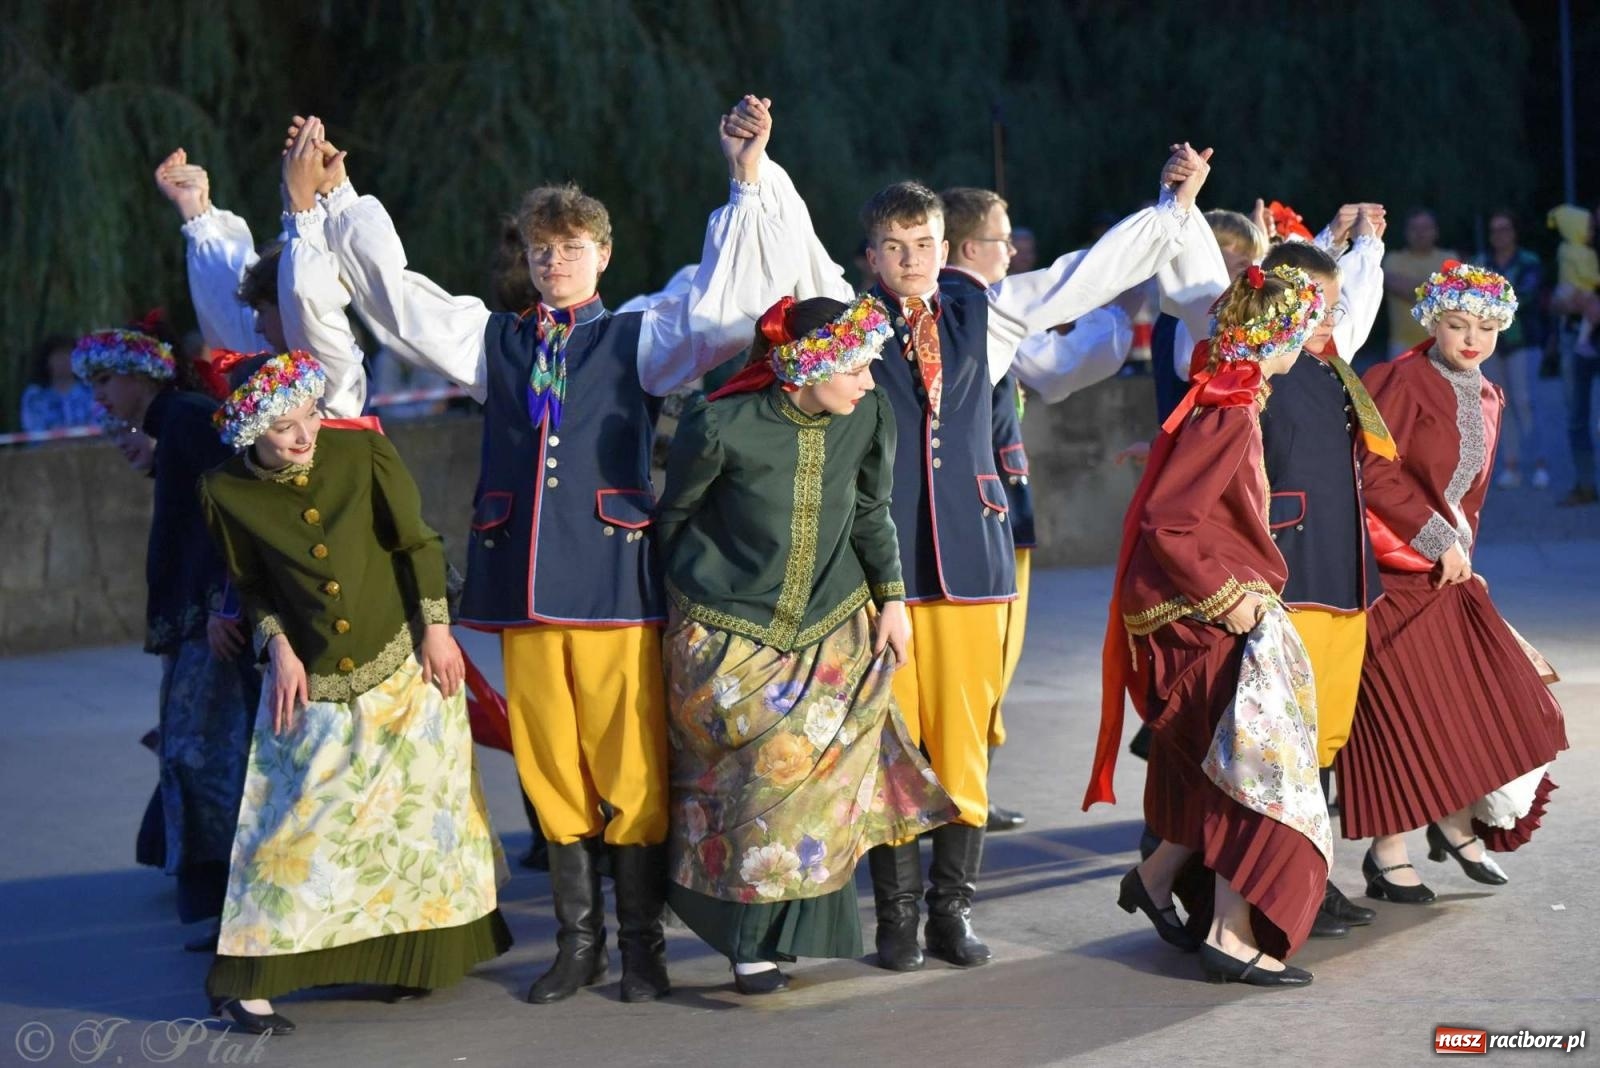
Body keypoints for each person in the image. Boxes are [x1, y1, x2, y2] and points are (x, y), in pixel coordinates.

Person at [307, 96, 805, 1005]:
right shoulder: (493, 338)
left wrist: (745, 178)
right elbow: (399, 304)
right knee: (547, 760)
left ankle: (642, 947)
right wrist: (341, 205)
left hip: (614, 578)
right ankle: (580, 946)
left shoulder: (640, 335)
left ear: (603, 255)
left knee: (630, 762)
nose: (556, 262)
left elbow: (727, 309)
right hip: (523, 577)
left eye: (573, 248)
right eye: (542, 250)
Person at [726, 96, 1221, 971]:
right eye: (896, 247)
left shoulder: (980, 310)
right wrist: (755, 171)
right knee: (888, 742)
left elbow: (1080, 276)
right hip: (881, 572)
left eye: (926, 244)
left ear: (943, 248)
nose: (914, 261)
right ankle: (895, 919)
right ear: (869, 255)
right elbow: (790, 238)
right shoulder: (847, 318)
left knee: (961, 743)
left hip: (973, 562)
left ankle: (950, 914)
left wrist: (1170, 208)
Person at [198, 351, 509, 1035]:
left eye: (309, 414)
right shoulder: (223, 490)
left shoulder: (361, 451)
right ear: (252, 428)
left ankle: (410, 960)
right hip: (311, 674)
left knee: (416, 821)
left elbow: (417, 543)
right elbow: (251, 583)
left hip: (404, 663)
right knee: (295, 825)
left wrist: (437, 631)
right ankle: (247, 982)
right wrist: (276, 647)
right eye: (284, 426)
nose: (305, 434)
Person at [656, 295, 957, 994]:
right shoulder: (720, 423)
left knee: (821, 781)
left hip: (835, 623)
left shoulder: (870, 415)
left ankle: (772, 941)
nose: (868, 381)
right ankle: (738, 930)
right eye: (855, 367)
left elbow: (872, 512)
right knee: (752, 776)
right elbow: (676, 518)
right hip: (728, 629)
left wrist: (894, 601)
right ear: (805, 367)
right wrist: (685, 615)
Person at [1089, 264, 1331, 988]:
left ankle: (1158, 877)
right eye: (1305, 325)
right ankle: (1228, 935)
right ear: (1280, 337)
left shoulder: (1232, 397)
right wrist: (1229, 596)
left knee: (1222, 764)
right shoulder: (1228, 411)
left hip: (1199, 609)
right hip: (1202, 615)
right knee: (1251, 772)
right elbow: (1170, 523)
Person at [1338, 261, 1568, 901]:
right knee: (1396, 712)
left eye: (1488, 327)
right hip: (1389, 569)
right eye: (1458, 324)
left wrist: (1460, 550)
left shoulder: (1489, 394)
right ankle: (1388, 854)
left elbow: (1465, 495)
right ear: (1432, 321)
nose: (1472, 338)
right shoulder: (1402, 381)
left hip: (1447, 571)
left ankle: (1455, 822)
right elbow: (1372, 474)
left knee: (1486, 698)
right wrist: (1436, 541)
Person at [937, 185, 1134, 833]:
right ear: (970, 247)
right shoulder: (978, 309)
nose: (1015, 248)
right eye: (1004, 238)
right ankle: (960, 786)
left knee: (986, 654)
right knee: (983, 652)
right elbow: (1059, 369)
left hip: (976, 503)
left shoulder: (964, 309)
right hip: (981, 502)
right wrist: (1111, 313)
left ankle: (965, 782)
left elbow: (1050, 370)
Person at [75, 329, 259, 947]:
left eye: (105, 381)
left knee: (204, 756)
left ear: (143, 375)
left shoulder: (184, 417)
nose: (99, 396)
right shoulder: (175, 422)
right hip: (195, 617)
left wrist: (222, 603)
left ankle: (240, 905)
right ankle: (223, 907)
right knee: (192, 754)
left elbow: (231, 507)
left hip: (213, 620)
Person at [1255, 214, 1389, 938]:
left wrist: (1359, 247)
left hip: (1343, 572)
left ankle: (1319, 879)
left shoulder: (1333, 366)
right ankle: (1284, 889)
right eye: (1312, 305)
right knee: (1292, 740)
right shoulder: (1256, 367)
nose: (1327, 319)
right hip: (1292, 569)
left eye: (1331, 308)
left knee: (1327, 736)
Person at [1479, 211, 1550, 490]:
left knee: (1525, 401)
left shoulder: (1529, 261)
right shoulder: (1482, 263)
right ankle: (1511, 465)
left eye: (1505, 229)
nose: (1500, 235)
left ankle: (1540, 463)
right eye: (1495, 230)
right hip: (1492, 344)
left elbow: (1526, 295)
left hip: (1524, 341)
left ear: (1514, 231)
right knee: (1500, 404)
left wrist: (1491, 299)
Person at [1548, 204, 1600, 505]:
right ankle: (1585, 484)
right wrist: (1566, 302)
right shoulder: (1575, 250)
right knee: (1576, 416)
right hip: (1574, 336)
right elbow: (1557, 299)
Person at [1383, 209, 1458, 360]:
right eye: (1414, 228)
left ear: (1436, 231)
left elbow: (1456, 296)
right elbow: (1401, 289)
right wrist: (1439, 287)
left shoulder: (1450, 258)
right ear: (1406, 232)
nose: (1420, 233)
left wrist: (1413, 286)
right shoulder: (1392, 260)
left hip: (1443, 344)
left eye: (1425, 228)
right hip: (1402, 346)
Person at [21, 335, 97, 432]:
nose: (64, 361)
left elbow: (99, 427)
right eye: (58, 356)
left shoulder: (90, 391)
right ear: (47, 361)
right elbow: (34, 431)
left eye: (68, 355)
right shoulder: (35, 395)